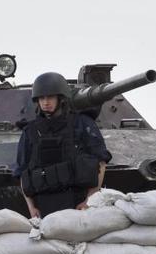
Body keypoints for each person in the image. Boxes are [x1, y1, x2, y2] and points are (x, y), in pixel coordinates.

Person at [14, 72, 112, 218]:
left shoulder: (82, 123)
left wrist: (89, 201)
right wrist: (31, 207)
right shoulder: (30, 131)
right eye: (41, 98)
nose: (46, 102)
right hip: (43, 207)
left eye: (50, 97)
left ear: (61, 99)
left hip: (79, 204)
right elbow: (22, 172)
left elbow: (101, 162)